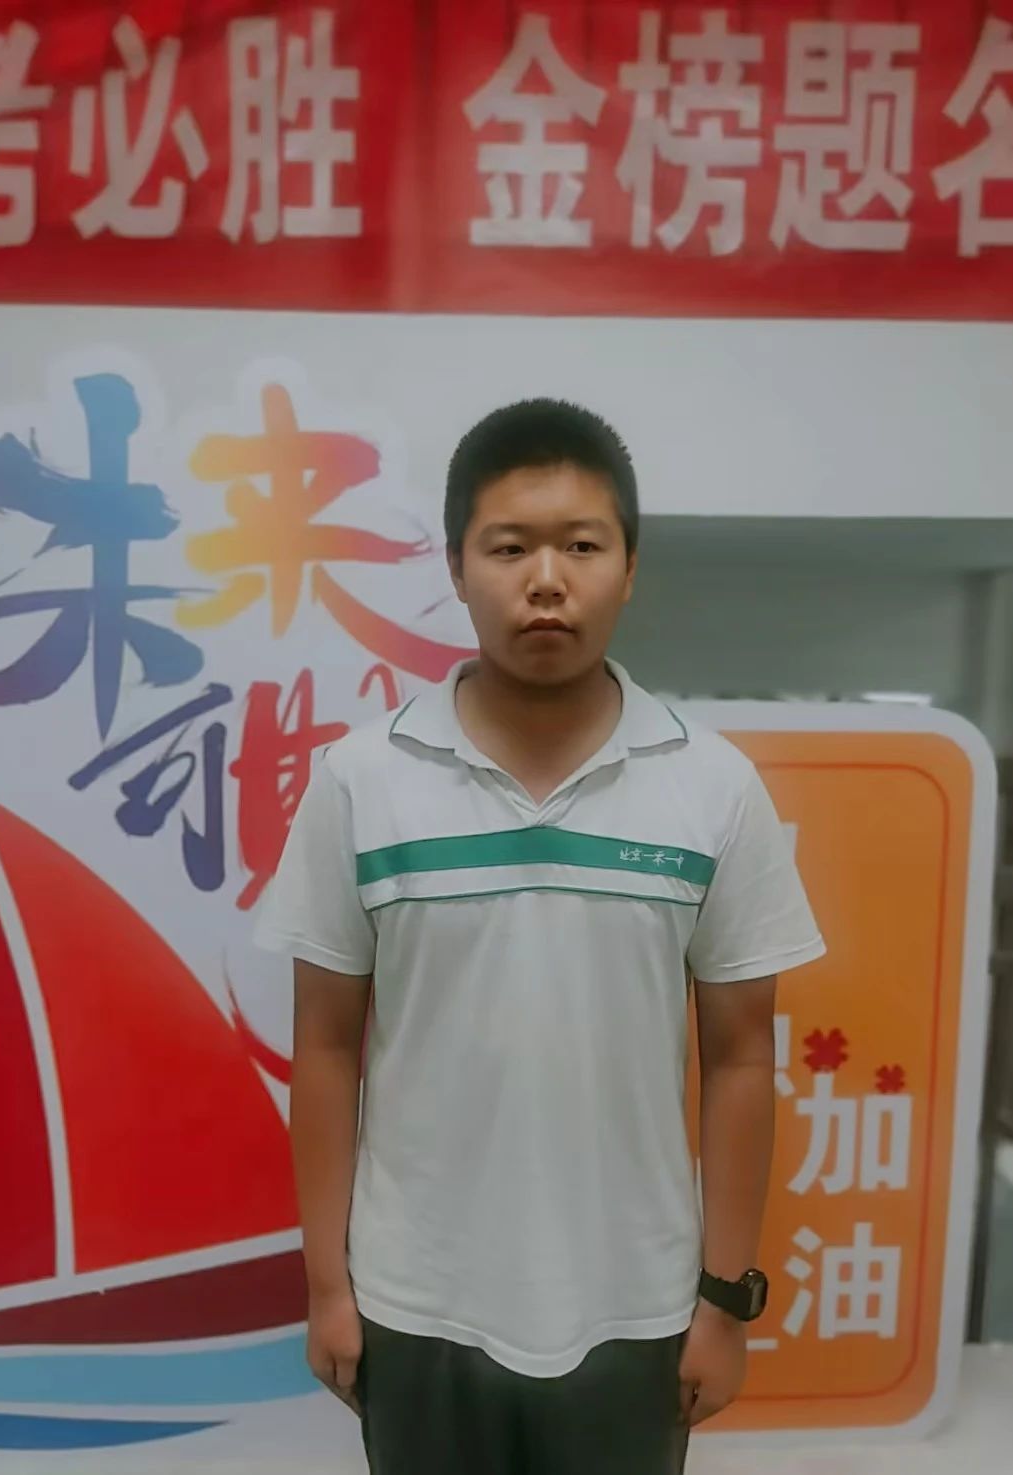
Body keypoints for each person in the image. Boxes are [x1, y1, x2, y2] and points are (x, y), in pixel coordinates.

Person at [255, 399, 825, 1474]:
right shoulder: (362, 780)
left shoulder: (712, 786)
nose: (547, 579)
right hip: (412, 1297)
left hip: (638, 1302)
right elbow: (324, 1047)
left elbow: (743, 1057)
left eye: (582, 545)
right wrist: (329, 1285)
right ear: (457, 567)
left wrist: (723, 1301)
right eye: (509, 547)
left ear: (629, 567)